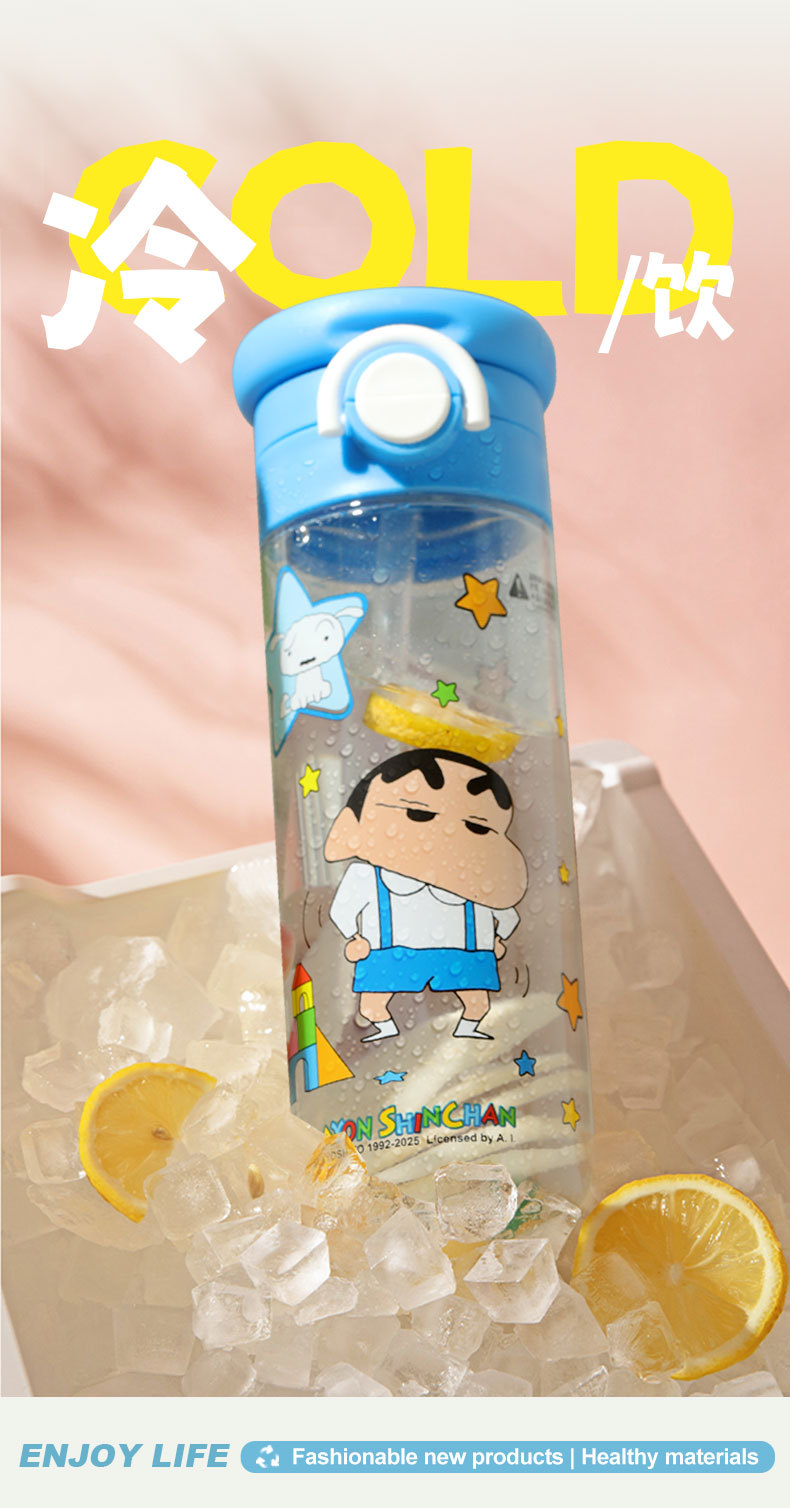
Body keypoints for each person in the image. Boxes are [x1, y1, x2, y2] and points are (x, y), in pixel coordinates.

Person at [325, 747, 527, 1042]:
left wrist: (497, 939)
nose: (447, 834)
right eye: (419, 813)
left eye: (477, 826)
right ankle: (385, 1030)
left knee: (477, 1004)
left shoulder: (481, 880)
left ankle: (467, 1030)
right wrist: (354, 938)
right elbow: (341, 911)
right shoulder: (366, 877)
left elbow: (507, 916)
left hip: (463, 953)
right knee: (371, 1006)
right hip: (390, 953)